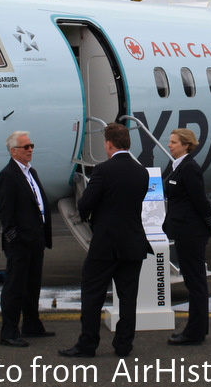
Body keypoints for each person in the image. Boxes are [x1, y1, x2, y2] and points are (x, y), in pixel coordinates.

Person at [59, 123, 152, 358]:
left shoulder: (103, 171)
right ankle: (123, 345)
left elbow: (85, 203)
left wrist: (92, 215)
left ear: (109, 144)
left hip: (105, 244)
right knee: (128, 297)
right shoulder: (142, 172)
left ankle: (88, 344)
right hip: (132, 242)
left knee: (92, 296)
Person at [0, 131, 53, 347]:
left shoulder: (31, 172)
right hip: (20, 243)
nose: (30, 150)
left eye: (31, 146)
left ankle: (31, 324)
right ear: (13, 151)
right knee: (15, 287)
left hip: (35, 240)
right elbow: (6, 213)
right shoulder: (8, 175)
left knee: (32, 286)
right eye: (25, 147)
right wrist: (14, 239)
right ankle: (8, 331)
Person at [162, 128, 211, 345]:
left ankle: (193, 332)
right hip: (185, 230)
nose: (169, 145)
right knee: (194, 281)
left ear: (186, 145)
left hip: (191, 233)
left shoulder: (189, 168)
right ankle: (198, 329)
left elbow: (199, 200)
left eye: (174, 142)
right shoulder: (178, 167)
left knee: (195, 282)